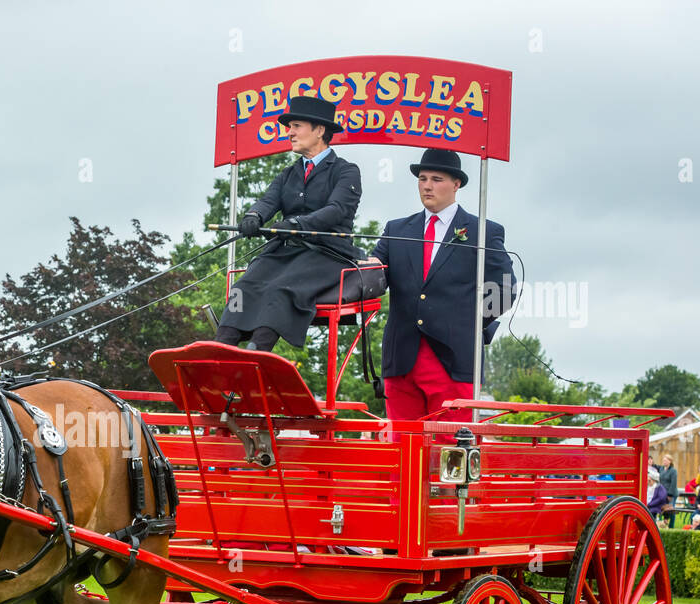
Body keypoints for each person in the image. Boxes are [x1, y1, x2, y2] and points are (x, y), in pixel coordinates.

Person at [215, 95, 379, 352]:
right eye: (289, 127)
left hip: (327, 253)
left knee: (280, 289)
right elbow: (268, 201)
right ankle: (220, 349)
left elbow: (336, 210)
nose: (289, 132)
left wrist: (296, 224)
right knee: (242, 288)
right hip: (286, 252)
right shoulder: (288, 174)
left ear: (320, 130)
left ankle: (256, 352)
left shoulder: (346, 171)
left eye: (296, 126)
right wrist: (253, 217)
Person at [364, 148, 516, 422]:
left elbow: (504, 288)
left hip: (454, 361)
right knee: (403, 448)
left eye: (436, 179)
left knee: (449, 452)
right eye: (422, 178)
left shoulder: (484, 231)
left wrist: (472, 323)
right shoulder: (396, 230)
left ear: (456, 184)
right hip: (401, 361)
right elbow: (373, 276)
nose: (427, 186)